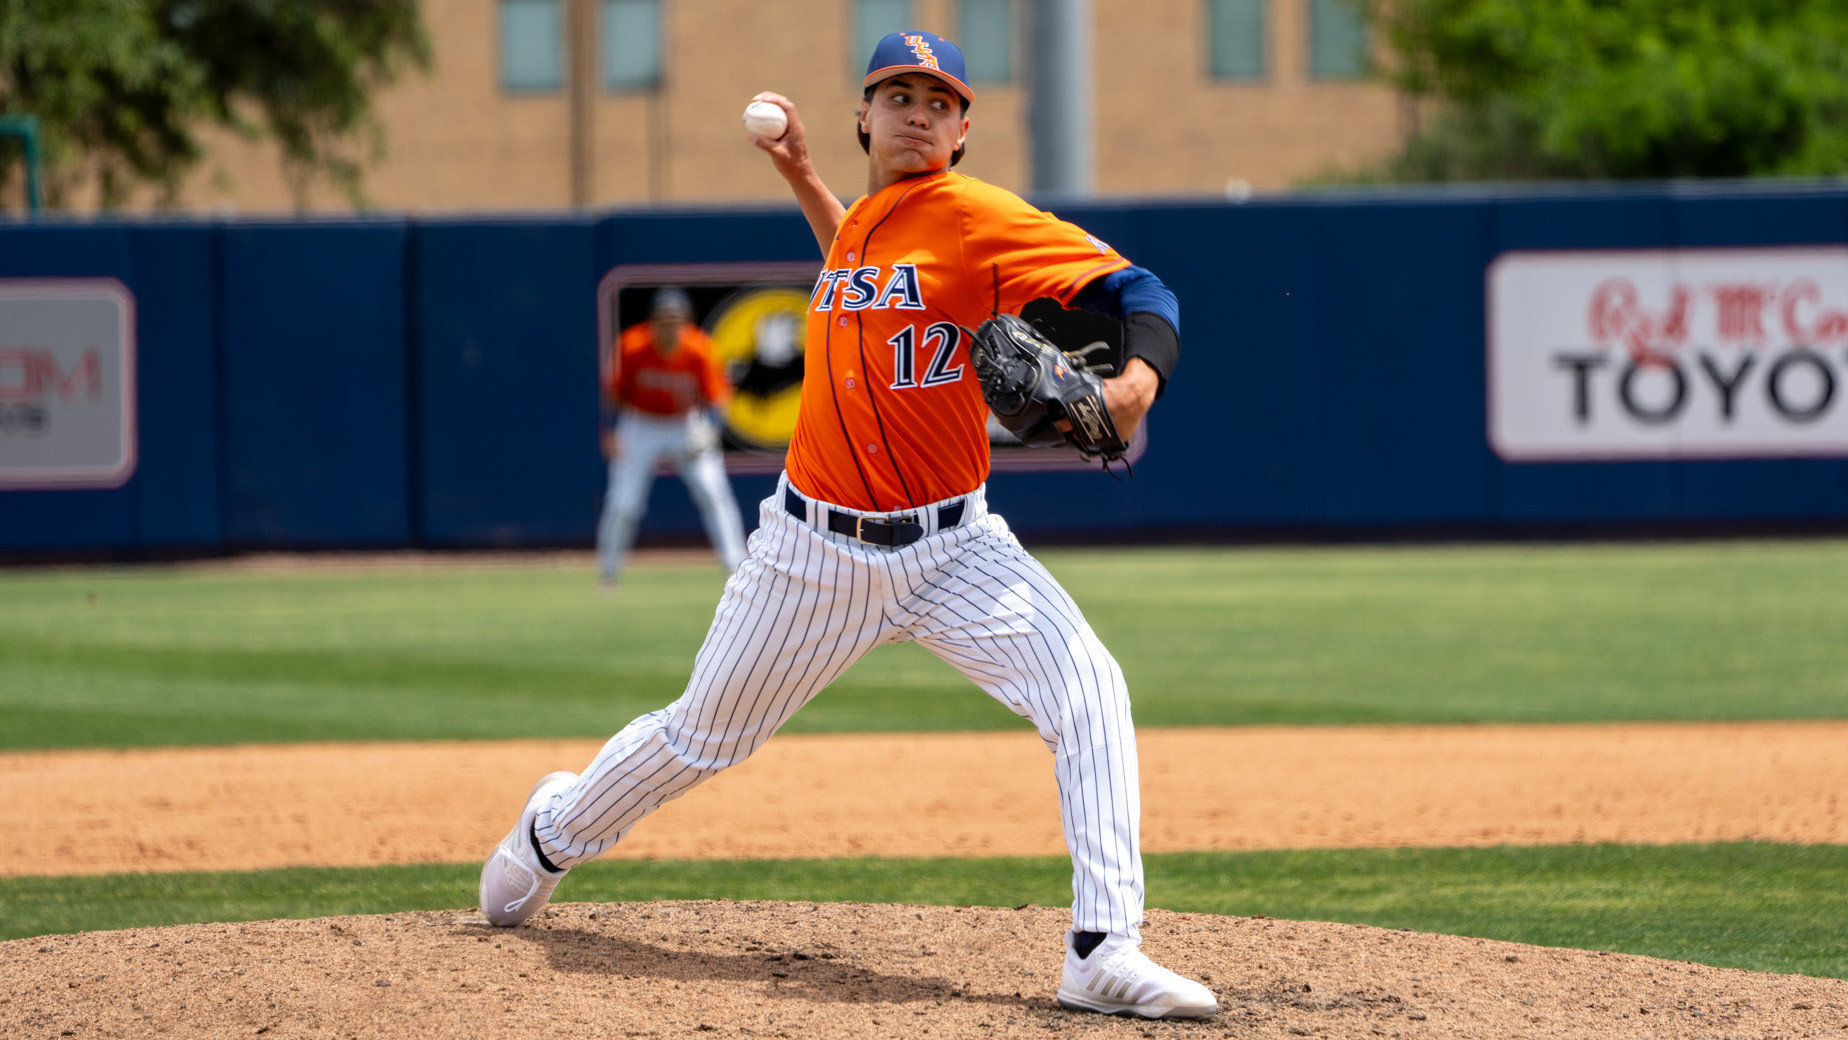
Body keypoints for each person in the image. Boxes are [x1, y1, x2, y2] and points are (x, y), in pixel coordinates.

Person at [482, 29, 1215, 1021]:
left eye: (939, 100)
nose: (918, 112)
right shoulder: (868, 225)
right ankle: (552, 830)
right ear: (865, 115)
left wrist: (1134, 382)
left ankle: (1102, 946)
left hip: (957, 546)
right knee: (702, 737)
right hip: (811, 555)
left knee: (1090, 687)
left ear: (961, 131)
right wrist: (803, 174)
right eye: (897, 94)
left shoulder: (974, 217)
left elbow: (1142, 291)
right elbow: (859, 266)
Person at [594, 286, 748, 590]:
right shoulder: (632, 346)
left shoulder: (699, 348)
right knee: (623, 503)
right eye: (664, 318)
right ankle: (608, 573)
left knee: (714, 493)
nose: (670, 325)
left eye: (676, 319)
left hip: (685, 424)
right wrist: (610, 431)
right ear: (652, 320)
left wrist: (710, 429)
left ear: (686, 320)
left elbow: (719, 399)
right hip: (640, 424)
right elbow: (612, 396)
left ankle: (735, 569)